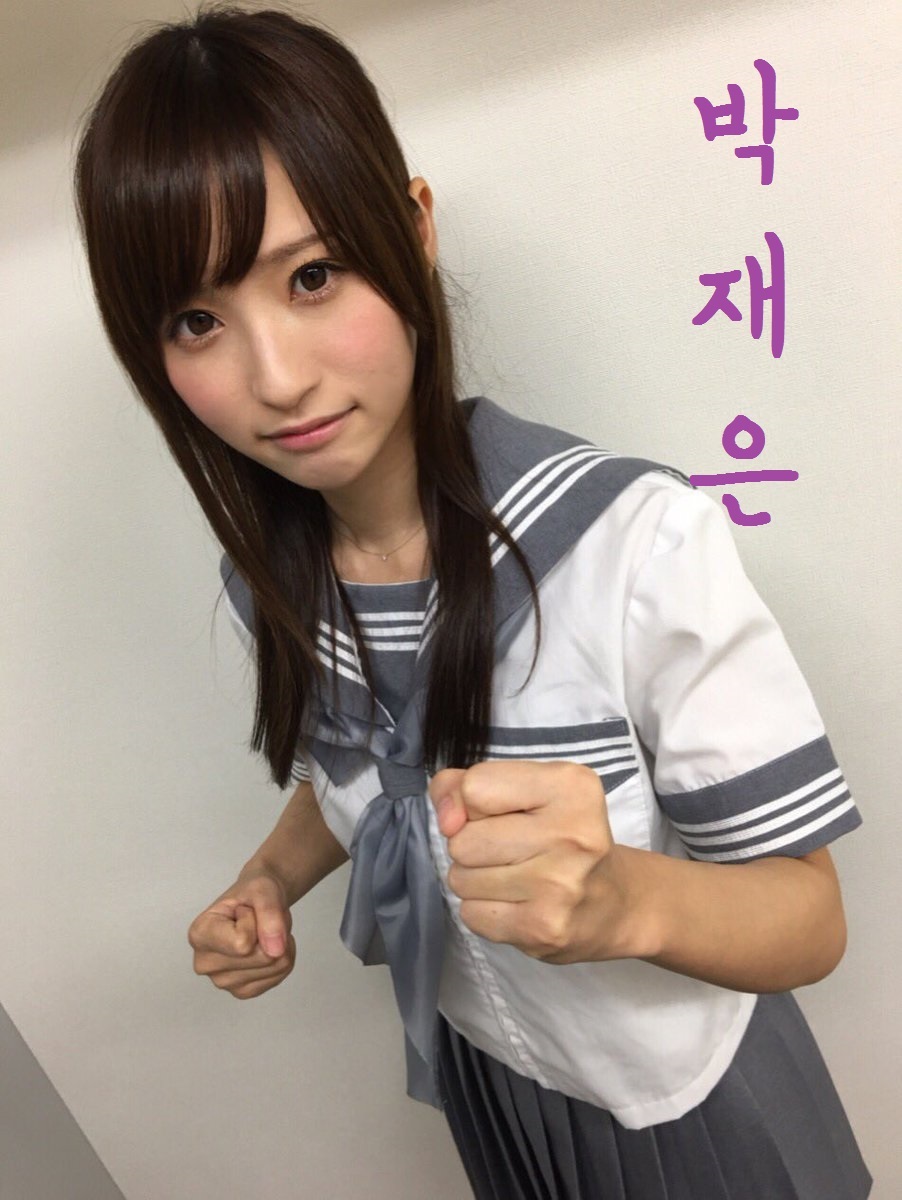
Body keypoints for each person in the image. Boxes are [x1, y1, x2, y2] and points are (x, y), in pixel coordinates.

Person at [73, 6, 873, 1197]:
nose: (275, 378)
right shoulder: (270, 588)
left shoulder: (630, 544)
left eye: (312, 275)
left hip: (688, 1109)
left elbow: (809, 920)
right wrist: (266, 881)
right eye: (197, 321)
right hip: (489, 1083)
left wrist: (622, 900)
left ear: (412, 229)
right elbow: (350, 776)